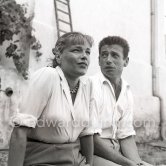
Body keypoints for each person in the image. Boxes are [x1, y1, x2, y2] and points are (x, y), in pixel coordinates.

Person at [8, 32, 94, 166]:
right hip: (42, 159)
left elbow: (87, 133)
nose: (84, 56)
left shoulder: (86, 86)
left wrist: (90, 163)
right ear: (58, 55)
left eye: (88, 52)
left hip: (76, 160)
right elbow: (19, 132)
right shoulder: (48, 76)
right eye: (76, 50)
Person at [90, 36, 151, 166]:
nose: (108, 60)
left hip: (115, 150)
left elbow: (126, 135)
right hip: (92, 151)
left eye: (115, 55)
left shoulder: (126, 90)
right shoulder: (91, 85)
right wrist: (127, 163)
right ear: (99, 60)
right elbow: (91, 139)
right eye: (104, 55)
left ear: (126, 61)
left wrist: (137, 163)